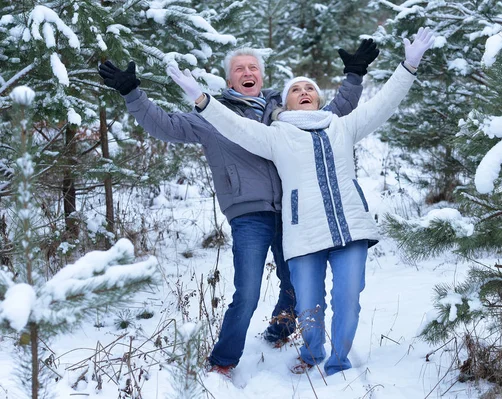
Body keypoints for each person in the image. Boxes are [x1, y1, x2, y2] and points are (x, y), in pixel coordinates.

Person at [98, 41, 379, 377]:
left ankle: (280, 330)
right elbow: (164, 126)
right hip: (249, 213)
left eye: (253, 68)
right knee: (247, 290)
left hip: (295, 214)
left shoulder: (285, 110)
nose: (248, 73)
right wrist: (132, 93)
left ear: (261, 75)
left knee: (296, 285)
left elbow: (334, 114)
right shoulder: (212, 116)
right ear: (229, 81)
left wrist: (354, 76)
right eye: (239, 70)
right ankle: (224, 359)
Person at [167, 27, 434, 376]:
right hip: (304, 234)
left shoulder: (343, 126)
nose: (304, 91)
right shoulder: (275, 136)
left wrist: (408, 66)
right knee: (309, 305)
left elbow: (384, 103)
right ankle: (311, 352)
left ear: (319, 99)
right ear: (285, 102)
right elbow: (232, 126)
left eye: (310, 88)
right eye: (296, 88)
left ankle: (338, 363)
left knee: (347, 301)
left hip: (349, 230)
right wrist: (203, 100)